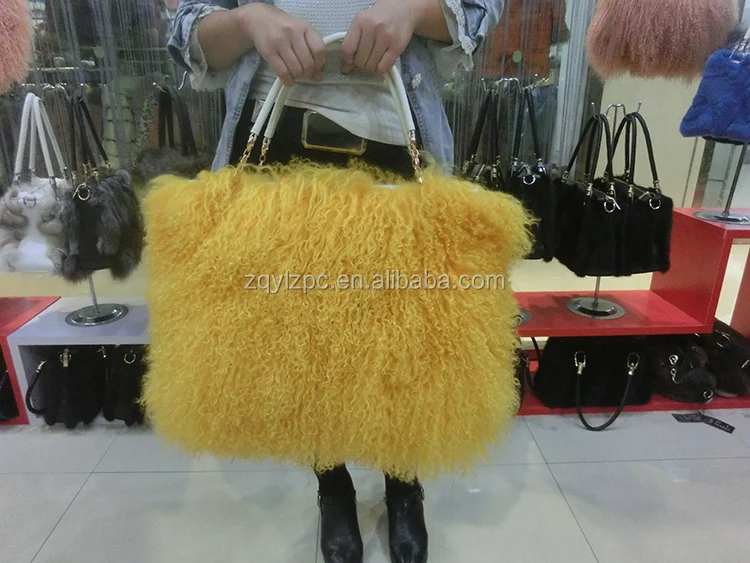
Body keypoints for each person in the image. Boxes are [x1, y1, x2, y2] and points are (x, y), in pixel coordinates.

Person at [166, 1, 502, 562]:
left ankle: (404, 481)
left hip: (394, 141)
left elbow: (478, 8)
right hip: (277, 144)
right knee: (306, 345)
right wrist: (249, 19)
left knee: (409, 341)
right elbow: (188, 30)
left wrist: (414, 10)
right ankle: (333, 486)